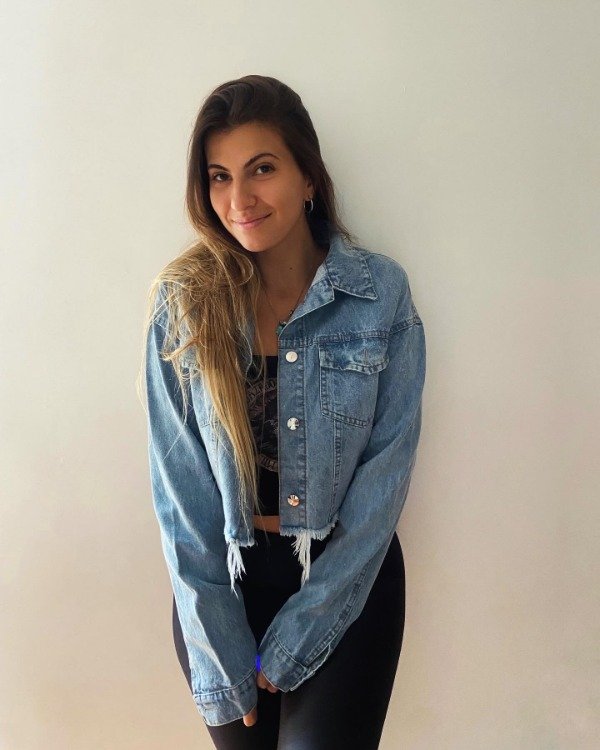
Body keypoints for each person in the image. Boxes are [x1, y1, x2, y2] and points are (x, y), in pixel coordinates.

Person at [140, 74, 426, 749]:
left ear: (309, 177)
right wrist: (219, 641)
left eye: (262, 169)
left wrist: (308, 627)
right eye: (219, 176)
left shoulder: (378, 294)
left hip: (347, 581)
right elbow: (180, 495)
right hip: (224, 587)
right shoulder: (184, 302)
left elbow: (385, 476)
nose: (239, 199)